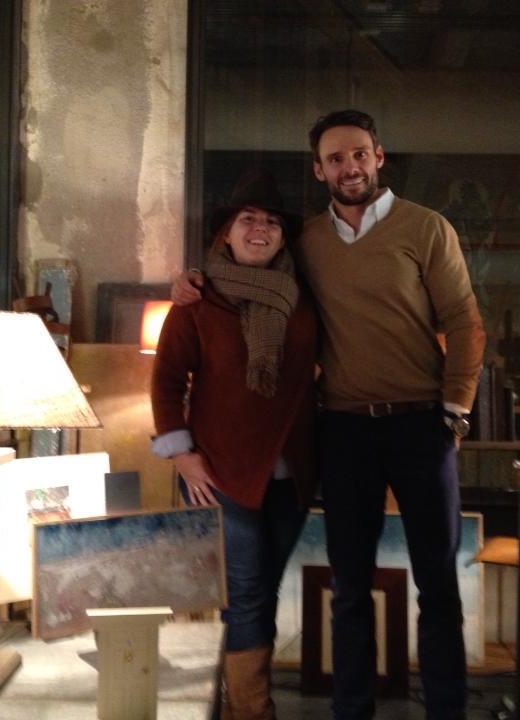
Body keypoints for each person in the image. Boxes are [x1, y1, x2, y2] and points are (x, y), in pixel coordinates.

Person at [173, 109, 486, 720]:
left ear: (379, 157)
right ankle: (351, 711)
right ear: (319, 170)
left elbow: (465, 323)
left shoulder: (427, 228)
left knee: (438, 585)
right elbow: (249, 275)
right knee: (348, 589)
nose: (350, 167)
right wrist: (191, 282)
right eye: (335, 159)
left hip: (423, 426)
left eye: (359, 154)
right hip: (342, 431)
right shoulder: (308, 241)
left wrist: (455, 414)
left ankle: (446, 711)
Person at [150, 168, 318, 720]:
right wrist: (182, 455)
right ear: (227, 232)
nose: (259, 229)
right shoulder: (197, 301)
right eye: (248, 219)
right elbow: (167, 382)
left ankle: (234, 701)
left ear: (282, 237)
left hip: (291, 471)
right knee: (245, 592)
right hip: (219, 474)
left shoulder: (304, 299)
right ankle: (252, 710)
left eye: (271, 222)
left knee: (263, 590)